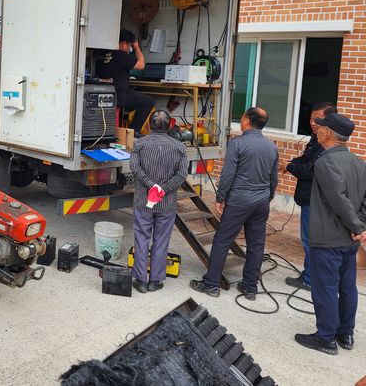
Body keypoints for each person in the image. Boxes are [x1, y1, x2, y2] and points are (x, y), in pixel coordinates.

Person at [295, 113, 366, 355]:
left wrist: (358, 227)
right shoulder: (358, 162)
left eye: (320, 126)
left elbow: (339, 200)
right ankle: (345, 333)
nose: (316, 128)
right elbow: (362, 201)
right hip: (349, 240)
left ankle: (325, 338)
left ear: (328, 133)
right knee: (347, 286)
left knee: (324, 286)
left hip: (328, 238)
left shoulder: (325, 162)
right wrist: (360, 227)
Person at [190, 107, 278, 299]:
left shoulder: (237, 143)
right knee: (256, 244)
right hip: (261, 201)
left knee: (223, 240)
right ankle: (250, 287)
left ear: (247, 120)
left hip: (239, 200)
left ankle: (211, 284)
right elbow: (274, 177)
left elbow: (228, 174)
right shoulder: (272, 146)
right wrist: (268, 197)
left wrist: (221, 197)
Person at [129, 110, 188, 293]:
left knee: (141, 239)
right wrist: (163, 188)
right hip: (167, 203)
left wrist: (151, 185)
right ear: (170, 125)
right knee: (161, 241)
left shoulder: (140, 144)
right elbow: (182, 175)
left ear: (149, 125)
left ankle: (140, 280)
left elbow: (134, 168)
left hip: (143, 200)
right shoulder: (179, 147)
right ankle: (155, 281)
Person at [282, 102, 337, 291]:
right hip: (311, 199)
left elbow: (310, 170)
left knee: (310, 240)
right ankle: (314, 275)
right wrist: (290, 163)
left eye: (317, 119)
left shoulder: (327, 144)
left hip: (315, 201)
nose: (313, 122)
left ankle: (310, 279)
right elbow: (305, 159)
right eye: (311, 118)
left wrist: (289, 167)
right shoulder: (317, 138)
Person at [96, 30, 154, 133]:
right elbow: (141, 65)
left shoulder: (101, 53)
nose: (129, 49)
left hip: (103, 94)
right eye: (129, 46)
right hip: (119, 96)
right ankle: (132, 132)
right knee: (148, 101)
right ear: (123, 43)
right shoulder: (121, 55)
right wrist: (136, 47)